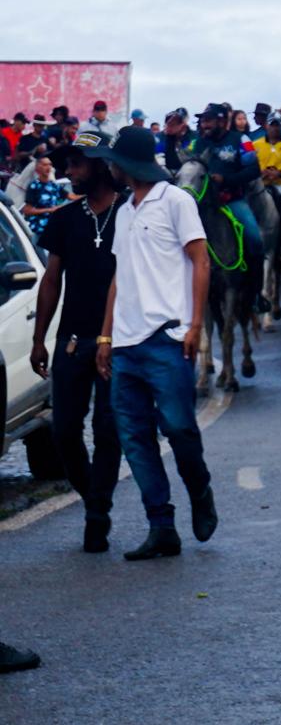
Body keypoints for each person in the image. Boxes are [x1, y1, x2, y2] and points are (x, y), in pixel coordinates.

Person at [88, 126, 215, 561]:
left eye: (113, 161)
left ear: (127, 164)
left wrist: (195, 325)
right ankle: (161, 526)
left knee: (179, 429)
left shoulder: (175, 200)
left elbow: (201, 261)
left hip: (167, 337)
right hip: (125, 346)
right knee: (135, 439)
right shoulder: (124, 211)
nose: (109, 168)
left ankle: (199, 488)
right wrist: (106, 335)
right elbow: (119, 278)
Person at [29, 131, 124, 553]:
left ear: (101, 165)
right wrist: (39, 339)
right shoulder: (65, 218)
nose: (69, 172)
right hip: (71, 339)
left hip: (119, 341)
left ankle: (97, 515)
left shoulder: (130, 214)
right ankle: (94, 499)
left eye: (77, 163)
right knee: (65, 430)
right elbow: (51, 279)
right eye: (67, 164)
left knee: (108, 430)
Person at [184, 104, 266, 274]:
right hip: (201, 204)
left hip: (231, 200)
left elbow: (254, 169)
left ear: (221, 122)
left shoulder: (242, 139)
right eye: (203, 121)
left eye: (209, 121)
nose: (204, 125)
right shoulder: (197, 143)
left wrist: (227, 180)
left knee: (255, 238)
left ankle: (255, 285)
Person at [22, 156, 67, 236]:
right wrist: (49, 210)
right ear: (38, 169)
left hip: (53, 229)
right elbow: (27, 210)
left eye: (50, 164)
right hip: (38, 229)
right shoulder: (34, 186)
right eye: (45, 165)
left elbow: (71, 196)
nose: (48, 167)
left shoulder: (54, 185)